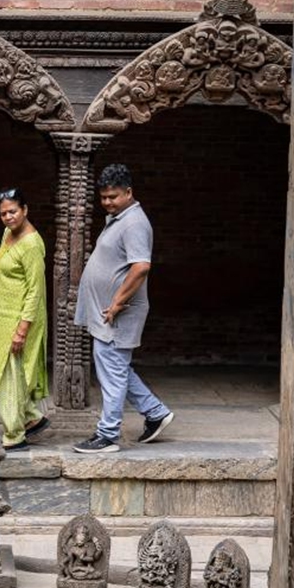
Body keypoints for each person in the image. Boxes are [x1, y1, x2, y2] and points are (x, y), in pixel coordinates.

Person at [73, 163, 173, 453]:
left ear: (129, 192)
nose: (107, 202)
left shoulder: (134, 223)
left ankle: (107, 435)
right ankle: (155, 413)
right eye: (103, 197)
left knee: (112, 369)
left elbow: (141, 267)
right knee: (115, 366)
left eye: (113, 197)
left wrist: (116, 302)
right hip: (109, 311)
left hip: (119, 312)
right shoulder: (119, 218)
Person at [0, 187, 49, 450]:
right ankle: (31, 416)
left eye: (13, 212)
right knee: (8, 372)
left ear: (25, 210)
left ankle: (14, 434)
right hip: (0, 316)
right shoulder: (7, 234)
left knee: (10, 377)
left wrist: (22, 329)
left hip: (19, 318)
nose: (7, 217)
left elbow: (35, 291)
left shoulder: (31, 244)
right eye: (3, 213)